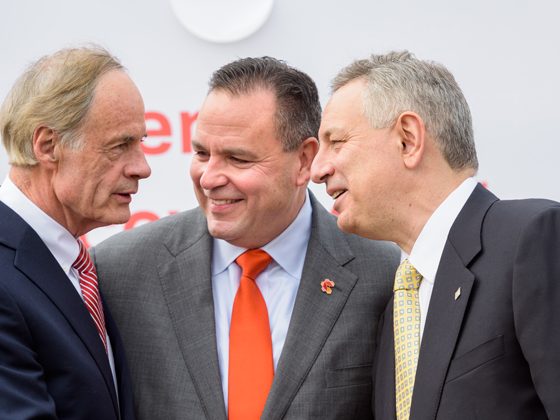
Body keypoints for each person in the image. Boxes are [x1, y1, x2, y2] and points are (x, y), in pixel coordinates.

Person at [92, 56, 399, 420]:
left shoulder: (382, 272)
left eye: (237, 159)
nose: (209, 178)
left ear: (304, 161)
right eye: (202, 153)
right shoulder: (120, 272)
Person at [311, 50, 560, 419]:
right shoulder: (398, 305)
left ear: (407, 140)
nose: (318, 170)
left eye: (337, 142)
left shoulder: (535, 237)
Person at [0, 46, 151, 419]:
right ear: (48, 146)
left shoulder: (72, 262)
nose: (142, 168)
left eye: (141, 143)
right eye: (120, 146)